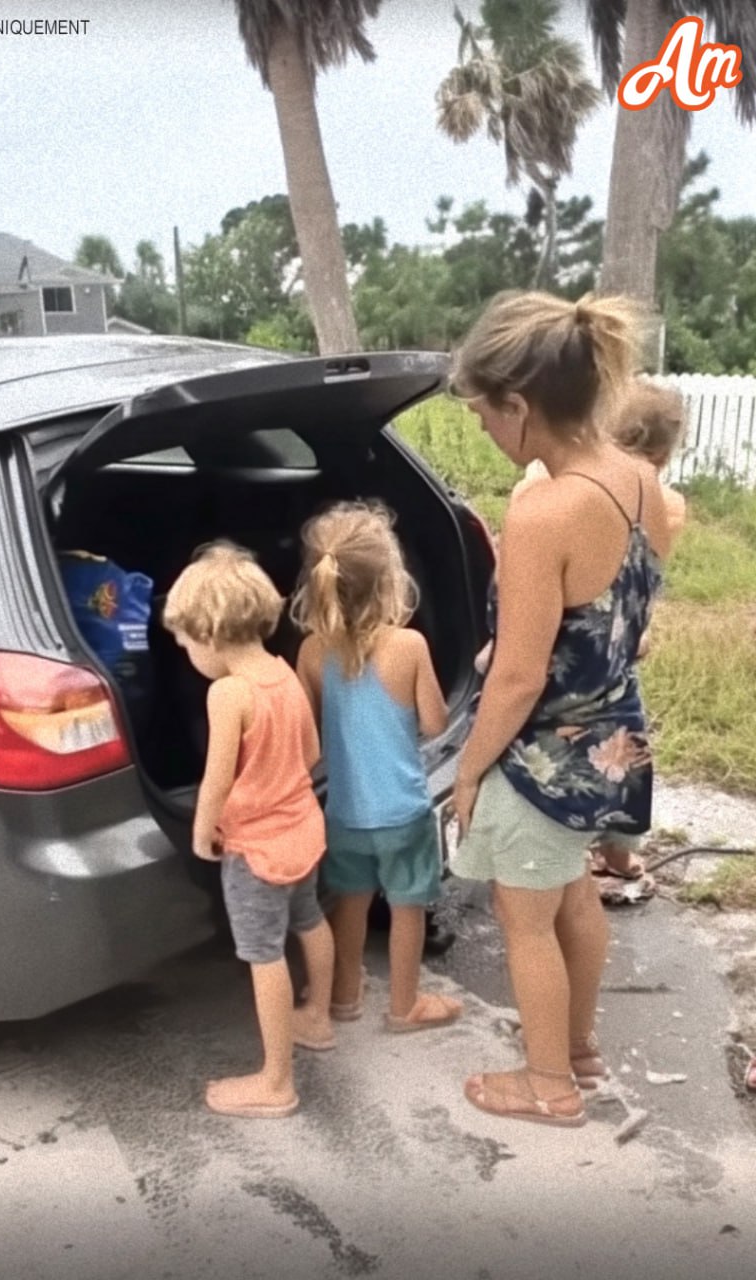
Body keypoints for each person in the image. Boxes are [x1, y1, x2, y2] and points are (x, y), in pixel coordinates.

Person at [448, 291, 672, 1128]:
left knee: (526, 919)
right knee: (575, 893)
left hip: (546, 754)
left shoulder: (543, 508)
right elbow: (615, 617)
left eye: (482, 413)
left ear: (519, 403)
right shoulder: (639, 479)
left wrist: (468, 772)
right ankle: (576, 1050)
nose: (481, 430)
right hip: (615, 737)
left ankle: (547, 1086)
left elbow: (516, 679)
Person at [163, 541, 335, 1119]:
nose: (186, 653)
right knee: (310, 919)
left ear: (209, 635)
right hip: (304, 830)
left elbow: (214, 781)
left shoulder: (227, 692)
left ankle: (276, 1080)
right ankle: (319, 1016)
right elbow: (311, 752)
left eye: (184, 642)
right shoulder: (283, 674)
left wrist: (201, 830)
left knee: (265, 956)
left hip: (257, 849)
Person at [498, 381, 688, 889]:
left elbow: (525, 655)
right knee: (621, 755)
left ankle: (583, 857)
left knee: (532, 914)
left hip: (556, 685)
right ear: (664, 451)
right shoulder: (662, 500)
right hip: (616, 662)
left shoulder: (546, 497)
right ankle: (617, 857)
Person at [291, 501, 462, 1033]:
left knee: (351, 905)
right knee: (408, 908)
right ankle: (404, 1005)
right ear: (391, 579)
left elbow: (307, 739)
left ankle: (343, 997)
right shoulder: (409, 646)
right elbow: (435, 724)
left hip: (345, 814)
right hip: (404, 814)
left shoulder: (312, 653)